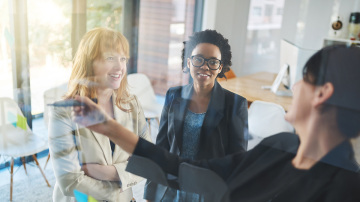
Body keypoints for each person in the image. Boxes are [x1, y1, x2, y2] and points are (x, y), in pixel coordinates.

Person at [73, 45, 360, 202]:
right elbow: (184, 169)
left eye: (304, 78)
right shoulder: (279, 147)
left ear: (322, 94)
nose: (294, 85)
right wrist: (110, 127)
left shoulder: (346, 188)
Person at [144, 29, 248, 201]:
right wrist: (150, 195)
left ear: (220, 67)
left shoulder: (235, 104)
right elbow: (161, 149)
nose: (205, 66)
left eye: (213, 62)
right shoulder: (173, 95)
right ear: (189, 62)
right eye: (198, 59)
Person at [48, 27, 151, 202]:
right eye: (110, 58)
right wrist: (119, 189)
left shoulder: (132, 104)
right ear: (89, 63)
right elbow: (69, 181)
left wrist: (109, 173)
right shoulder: (63, 112)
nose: (119, 67)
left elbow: (149, 163)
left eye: (123, 58)